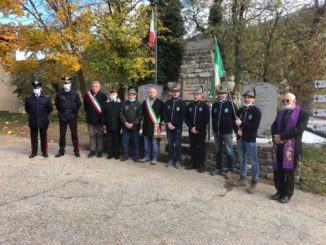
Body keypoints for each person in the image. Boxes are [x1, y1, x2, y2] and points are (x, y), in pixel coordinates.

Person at [271, 92, 308, 203]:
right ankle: (280, 191)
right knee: (279, 171)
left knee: (289, 173)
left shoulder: (303, 114)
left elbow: (298, 130)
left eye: (288, 100)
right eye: (284, 101)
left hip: (292, 149)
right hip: (279, 147)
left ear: (294, 102)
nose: (285, 102)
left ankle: (287, 194)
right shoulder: (281, 113)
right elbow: (273, 126)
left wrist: (281, 136)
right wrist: (276, 137)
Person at [235, 88, 261, 194]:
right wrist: (237, 131)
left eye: (249, 98)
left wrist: (242, 124)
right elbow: (235, 122)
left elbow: (254, 126)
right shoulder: (240, 110)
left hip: (250, 140)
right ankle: (243, 178)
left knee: (254, 162)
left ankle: (254, 181)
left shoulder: (256, 111)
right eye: (245, 97)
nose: (246, 99)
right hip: (240, 139)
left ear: (253, 99)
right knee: (242, 160)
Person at [211, 87, 237, 178]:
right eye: (219, 93)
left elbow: (235, 119)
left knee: (229, 151)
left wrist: (236, 131)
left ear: (226, 94)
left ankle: (230, 169)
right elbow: (213, 117)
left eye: (223, 93)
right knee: (218, 151)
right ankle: (219, 168)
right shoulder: (215, 105)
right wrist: (214, 128)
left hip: (227, 132)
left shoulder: (231, 105)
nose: (221, 95)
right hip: (217, 132)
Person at [55, 76, 81, 158]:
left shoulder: (75, 93)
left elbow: (79, 104)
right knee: (62, 134)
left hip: (72, 116)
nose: (66, 84)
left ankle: (76, 150)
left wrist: (74, 110)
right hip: (63, 116)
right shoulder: (59, 93)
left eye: (68, 83)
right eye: (65, 83)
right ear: (63, 84)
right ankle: (61, 150)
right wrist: (62, 110)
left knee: (74, 134)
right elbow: (57, 104)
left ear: (70, 84)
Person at [25, 81, 53, 158]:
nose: (36, 89)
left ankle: (44, 152)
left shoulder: (46, 99)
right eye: (34, 88)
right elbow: (27, 109)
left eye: (37, 87)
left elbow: (50, 109)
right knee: (33, 136)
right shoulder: (28, 99)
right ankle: (34, 152)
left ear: (41, 88)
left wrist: (43, 115)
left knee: (43, 136)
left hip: (43, 120)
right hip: (33, 120)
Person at [184, 87, 209, 173]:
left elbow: (206, 119)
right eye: (194, 95)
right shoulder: (189, 106)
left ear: (201, 96)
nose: (195, 96)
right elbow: (186, 118)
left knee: (201, 148)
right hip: (192, 130)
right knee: (192, 147)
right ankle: (193, 163)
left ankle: (201, 165)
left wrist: (197, 128)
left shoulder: (204, 106)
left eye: (197, 95)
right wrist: (191, 127)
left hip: (201, 131)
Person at [140, 87, 164, 165]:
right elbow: (142, 114)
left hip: (156, 126)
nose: (151, 94)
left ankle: (154, 158)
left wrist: (160, 122)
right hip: (146, 125)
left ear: (156, 93)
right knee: (146, 142)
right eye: (150, 92)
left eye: (153, 92)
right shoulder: (145, 102)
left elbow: (163, 114)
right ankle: (147, 156)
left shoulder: (160, 103)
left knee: (155, 143)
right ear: (148, 93)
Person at [163, 85, 186, 169]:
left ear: (179, 93)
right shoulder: (167, 103)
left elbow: (182, 116)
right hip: (168, 127)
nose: (175, 93)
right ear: (172, 93)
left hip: (177, 128)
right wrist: (168, 123)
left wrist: (174, 125)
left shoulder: (182, 103)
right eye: (174, 92)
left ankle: (177, 161)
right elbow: (164, 114)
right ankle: (170, 159)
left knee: (178, 144)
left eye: (177, 91)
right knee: (170, 144)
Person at [83, 81, 107, 158]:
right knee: (91, 135)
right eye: (93, 86)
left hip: (100, 119)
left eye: (96, 86)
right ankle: (92, 150)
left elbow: (105, 109)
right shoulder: (87, 95)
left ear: (99, 87)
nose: (94, 88)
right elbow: (85, 107)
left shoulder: (103, 96)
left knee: (100, 135)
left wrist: (104, 121)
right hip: (90, 119)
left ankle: (100, 150)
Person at [120, 88, 143, 162]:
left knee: (135, 142)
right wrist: (125, 123)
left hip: (135, 127)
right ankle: (125, 155)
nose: (131, 96)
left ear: (135, 96)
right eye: (129, 95)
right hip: (125, 127)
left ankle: (135, 156)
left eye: (132, 95)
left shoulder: (139, 104)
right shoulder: (124, 103)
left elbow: (140, 116)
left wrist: (133, 124)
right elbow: (121, 114)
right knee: (125, 142)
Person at [102, 88, 121, 159]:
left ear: (117, 94)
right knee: (109, 140)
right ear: (109, 94)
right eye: (112, 94)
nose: (113, 95)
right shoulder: (106, 103)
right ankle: (110, 153)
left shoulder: (120, 103)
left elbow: (121, 114)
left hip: (117, 125)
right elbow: (103, 114)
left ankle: (117, 153)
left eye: (114, 94)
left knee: (116, 140)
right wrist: (103, 124)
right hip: (108, 124)